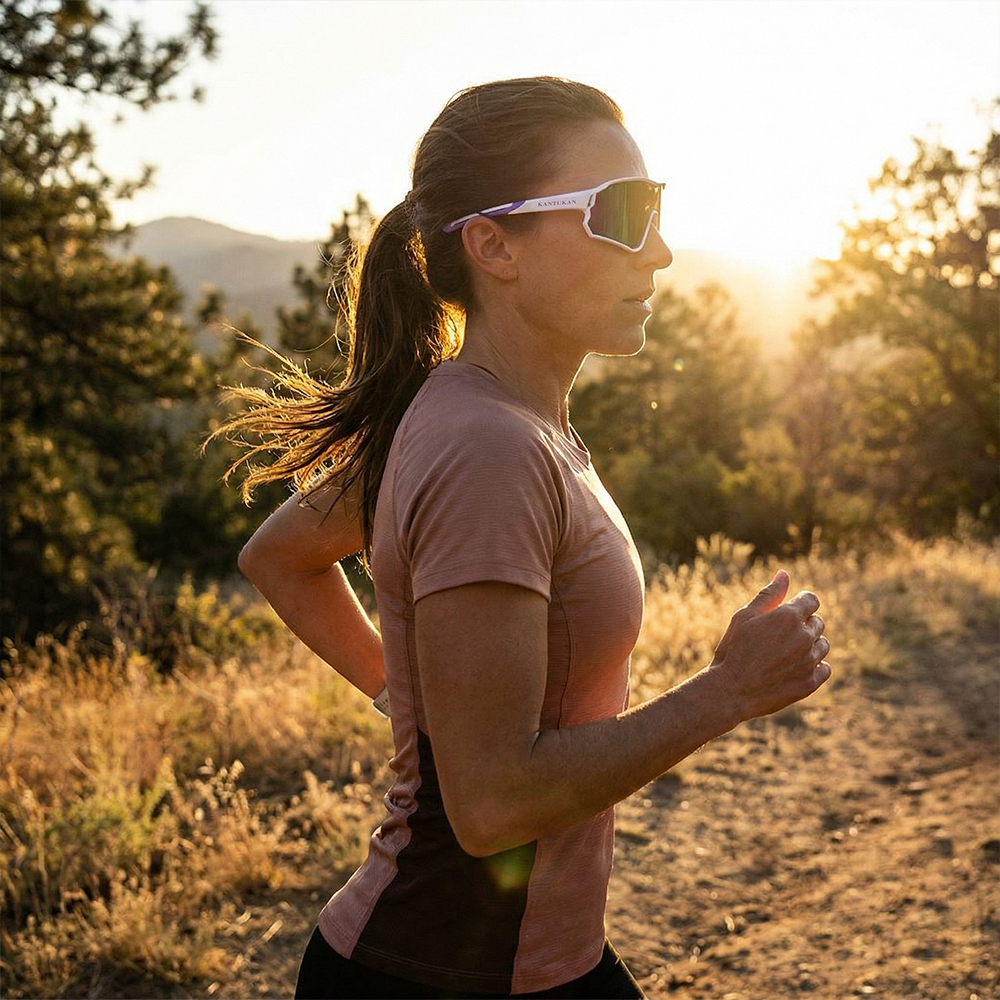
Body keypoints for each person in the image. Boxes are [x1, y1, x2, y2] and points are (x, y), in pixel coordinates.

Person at [224, 77, 831, 999]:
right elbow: (497, 804)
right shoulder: (487, 447)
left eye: (655, 208)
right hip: (443, 971)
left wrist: (414, 694)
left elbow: (279, 553)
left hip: (519, 961)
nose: (659, 251)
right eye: (620, 214)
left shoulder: (481, 415)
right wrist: (727, 693)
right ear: (494, 245)